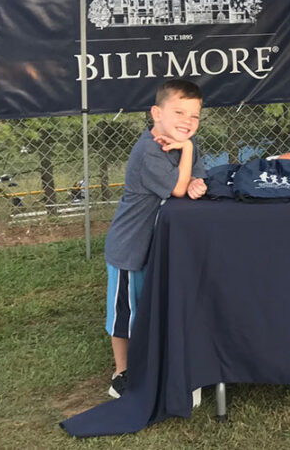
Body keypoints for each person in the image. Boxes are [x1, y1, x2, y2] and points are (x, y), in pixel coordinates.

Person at [103, 79, 207, 399]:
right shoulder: (149, 150)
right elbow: (177, 187)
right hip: (130, 248)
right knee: (124, 314)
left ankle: (157, 362)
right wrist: (187, 159)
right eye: (178, 112)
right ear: (155, 113)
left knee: (151, 306)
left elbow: (195, 173)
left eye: (194, 116)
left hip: (156, 248)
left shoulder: (188, 144)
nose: (187, 122)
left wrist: (197, 181)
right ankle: (121, 372)